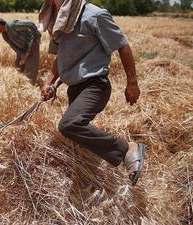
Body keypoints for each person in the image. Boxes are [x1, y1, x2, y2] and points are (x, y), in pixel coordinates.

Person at [39, 0, 146, 186]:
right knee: (76, 134)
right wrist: (50, 83)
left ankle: (127, 148)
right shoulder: (59, 19)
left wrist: (132, 83)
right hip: (74, 88)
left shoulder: (95, 15)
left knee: (69, 125)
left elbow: (122, 45)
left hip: (95, 85)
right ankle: (87, 177)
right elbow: (61, 56)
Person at [0, 17, 41, 85]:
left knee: (31, 68)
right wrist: (21, 54)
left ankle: (31, 85)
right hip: (22, 49)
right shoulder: (4, 35)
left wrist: (37, 37)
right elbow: (13, 45)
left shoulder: (12, 25)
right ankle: (22, 83)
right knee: (18, 65)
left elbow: (30, 24)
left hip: (32, 45)